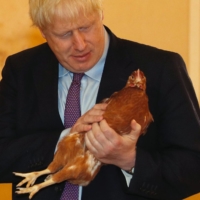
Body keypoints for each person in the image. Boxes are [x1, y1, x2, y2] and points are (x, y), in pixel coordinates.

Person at [0, 0, 200, 199]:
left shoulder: (160, 69)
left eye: (85, 27)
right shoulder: (21, 70)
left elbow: (193, 168)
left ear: (101, 14)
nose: (80, 44)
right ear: (43, 32)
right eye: (64, 34)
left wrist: (130, 160)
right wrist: (67, 139)